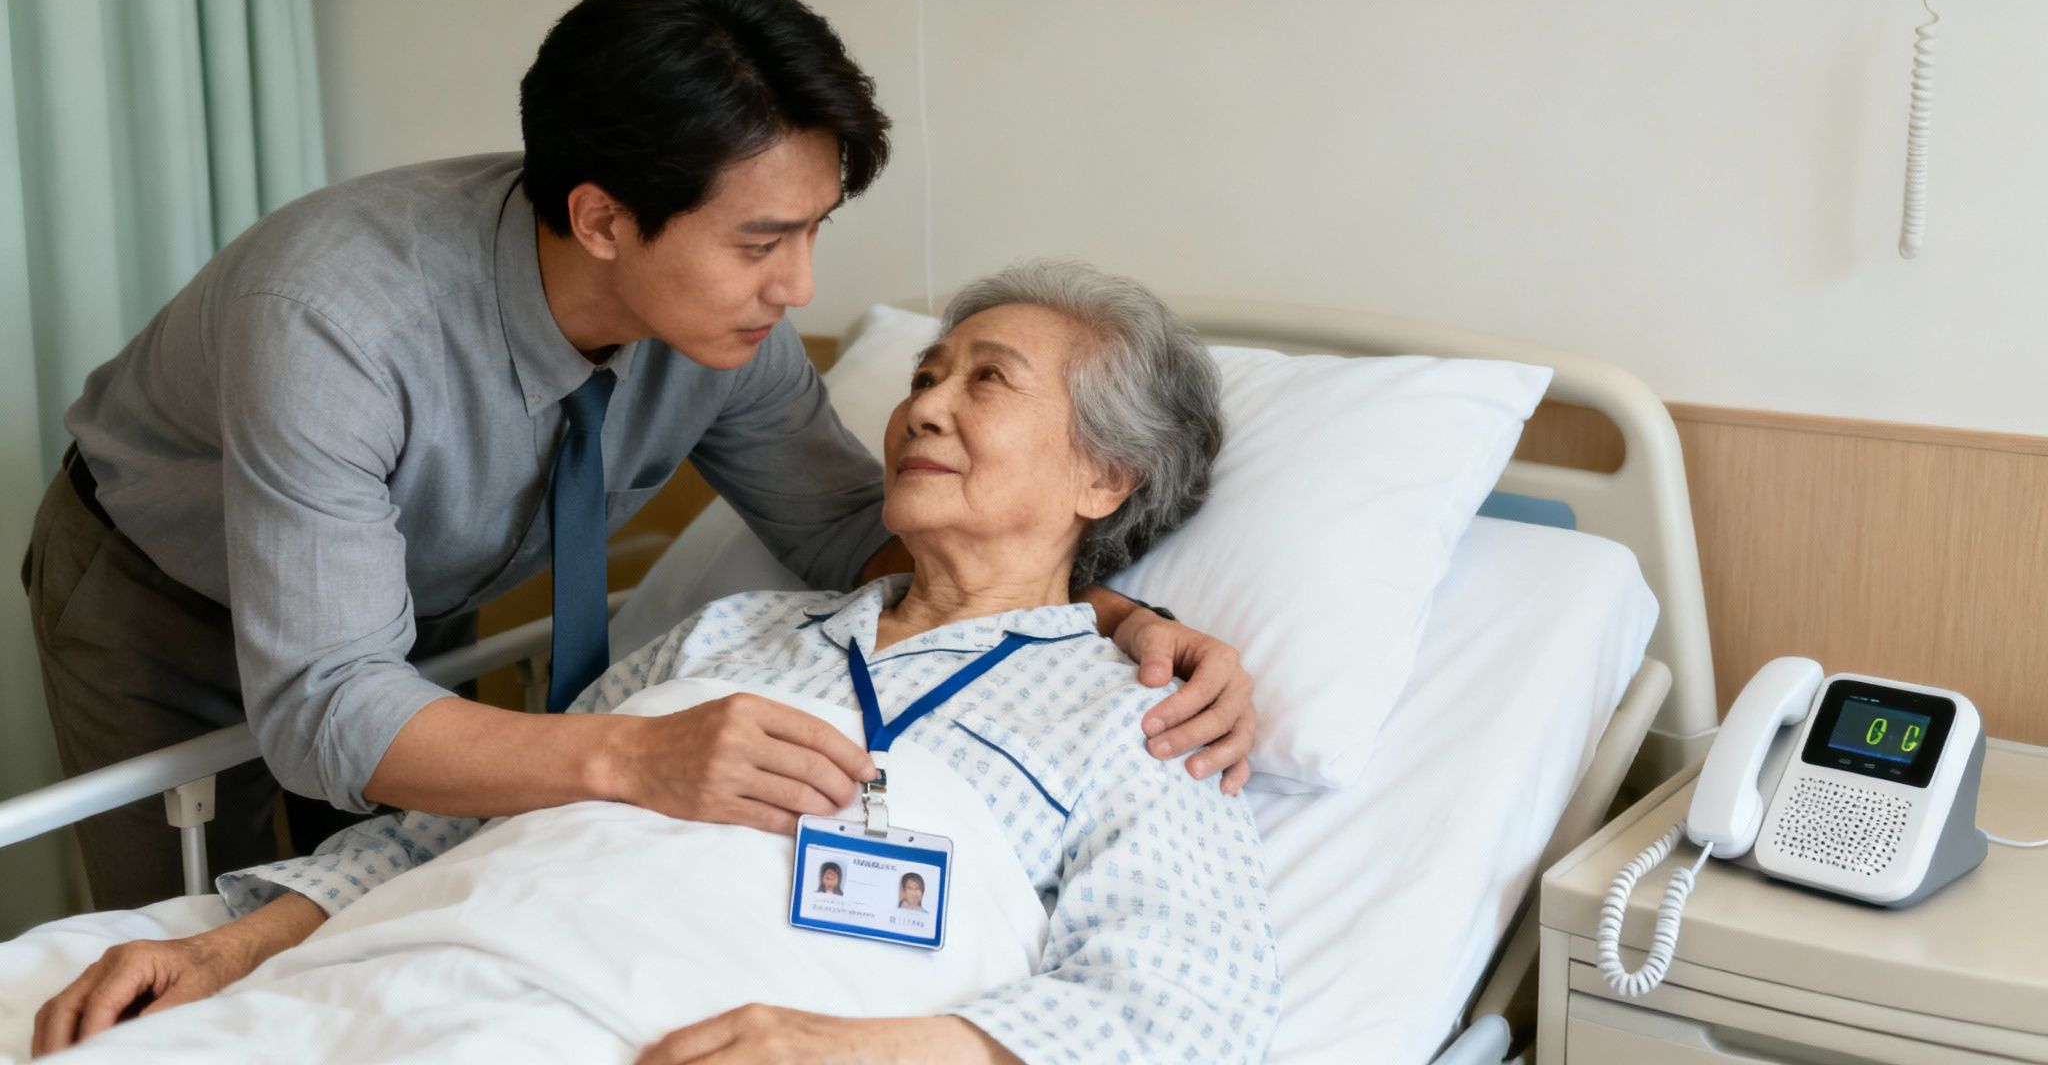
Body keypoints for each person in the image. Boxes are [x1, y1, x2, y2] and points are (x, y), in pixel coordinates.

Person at [18, 0, 1256, 913]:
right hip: (162, 590)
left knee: (384, 887)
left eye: (814, 227)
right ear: (602, 219)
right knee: (187, 935)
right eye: (762, 242)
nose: (799, 290)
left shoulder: (728, 336)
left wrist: (1108, 616)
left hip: (403, 599)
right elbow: (329, 707)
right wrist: (630, 758)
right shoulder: (336, 320)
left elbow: (844, 535)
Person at [33, 263, 1281, 1065]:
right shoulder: (728, 635)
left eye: (986, 382)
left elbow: (1177, 1016)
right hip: (406, 969)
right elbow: (449, 826)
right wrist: (231, 945)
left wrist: (847, 1050)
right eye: (923, 375)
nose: (922, 409)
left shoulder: (1142, 716)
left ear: (1103, 477)